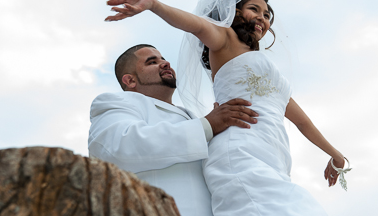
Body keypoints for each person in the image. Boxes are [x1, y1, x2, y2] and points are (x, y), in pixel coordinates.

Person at [105, 0, 351, 215]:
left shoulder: (273, 76)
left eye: (267, 15)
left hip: (273, 155)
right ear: (233, 12)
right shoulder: (225, 40)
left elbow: (302, 121)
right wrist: (154, 5)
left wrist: (335, 155)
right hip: (239, 149)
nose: (262, 18)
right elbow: (196, 24)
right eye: (254, 9)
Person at [88, 44, 259, 216]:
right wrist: (208, 125)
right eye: (152, 62)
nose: (165, 63)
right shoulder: (114, 103)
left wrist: (221, 134)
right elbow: (118, 147)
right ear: (130, 80)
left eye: (163, 58)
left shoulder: (193, 118)